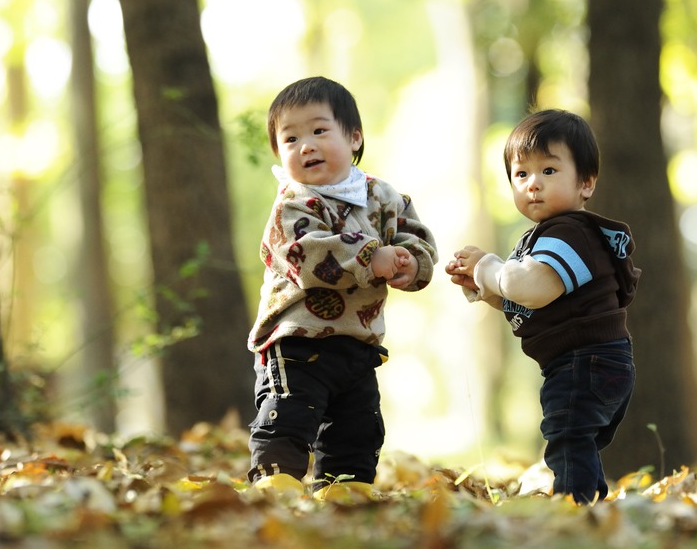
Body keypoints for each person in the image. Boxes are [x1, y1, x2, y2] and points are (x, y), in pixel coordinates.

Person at [246, 76, 438, 500]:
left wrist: (410, 263)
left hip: (358, 342)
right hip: (296, 339)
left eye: (318, 130)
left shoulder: (383, 197)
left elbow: (414, 236)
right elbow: (309, 255)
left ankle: (344, 488)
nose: (306, 145)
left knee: (358, 425)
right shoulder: (294, 204)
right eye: (290, 138)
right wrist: (372, 256)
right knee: (289, 414)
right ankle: (275, 482)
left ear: (354, 137)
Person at [445, 109, 639, 504]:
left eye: (548, 171)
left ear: (585, 182)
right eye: (521, 174)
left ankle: (574, 508)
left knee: (568, 438)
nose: (533, 184)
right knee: (576, 441)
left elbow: (528, 287)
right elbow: (532, 302)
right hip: (597, 362)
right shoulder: (552, 237)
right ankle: (588, 502)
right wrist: (484, 287)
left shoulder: (569, 232)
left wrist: (487, 264)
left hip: (585, 361)